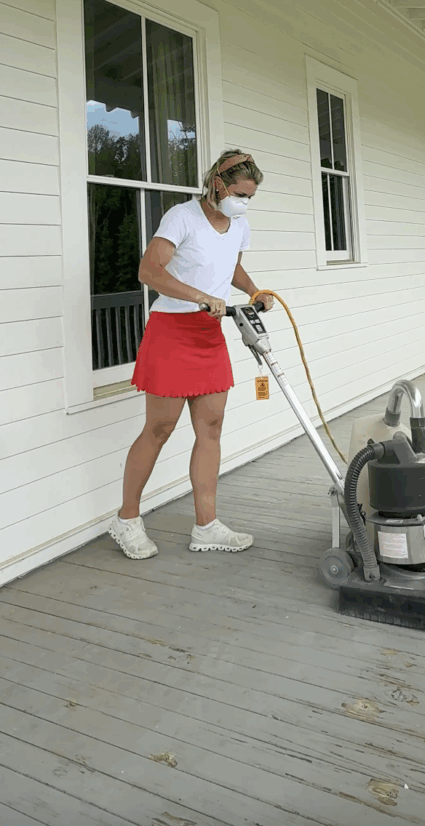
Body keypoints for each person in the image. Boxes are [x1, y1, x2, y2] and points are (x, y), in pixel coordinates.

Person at [108, 150, 273, 560]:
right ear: (217, 183)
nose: (243, 203)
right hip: (171, 332)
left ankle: (207, 525)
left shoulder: (238, 224)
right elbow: (150, 272)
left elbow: (229, 267)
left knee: (211, 428)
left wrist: (253, 291)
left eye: (249, 197)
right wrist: (199, 296)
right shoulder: (182, 217)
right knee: (159, 429)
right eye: (239, 193)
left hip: (209, 332)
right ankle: (126, 520)